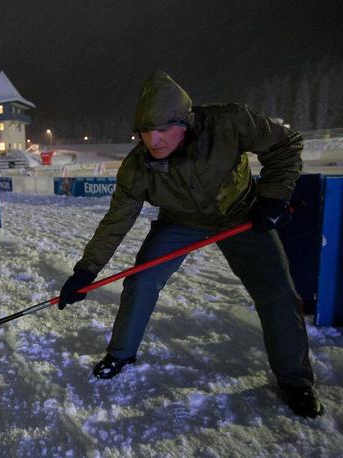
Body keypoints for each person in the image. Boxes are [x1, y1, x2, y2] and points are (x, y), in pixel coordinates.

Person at [58, 71, 321, 418]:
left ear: (186, 120)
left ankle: (295, 379)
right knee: (141, 279)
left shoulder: (228, 123)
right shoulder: (137, 168)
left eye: (164, 128)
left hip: (241, 214)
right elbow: (116, 222)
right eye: (145, 131)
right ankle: (121, 353)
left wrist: (272, 197)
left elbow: (285, 144)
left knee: (278, 292)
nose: (154, 140)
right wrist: (86, 270)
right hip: (180, 222)